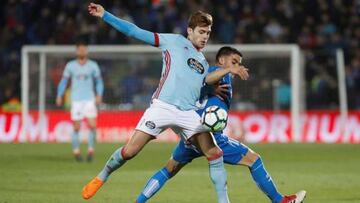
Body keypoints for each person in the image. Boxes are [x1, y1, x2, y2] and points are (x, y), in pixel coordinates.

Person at [82, 3, 249, 203]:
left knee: (215, 153)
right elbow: (135, 31)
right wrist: (105, 15)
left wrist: (228, 70)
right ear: (190, 30)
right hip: (162, 107)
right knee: (129, 152)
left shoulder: (203, 62)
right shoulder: (172, 41)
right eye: (202, 32)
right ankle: (103, 175)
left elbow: (206, 80)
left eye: (208, 32)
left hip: (188, 112)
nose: (205, 36)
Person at [135, 46, 306, 203]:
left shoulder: (218, 78)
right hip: (211, 136)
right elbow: (208, 78)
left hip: (192, 135)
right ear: (222, 60)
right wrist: (218, 78)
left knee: (169, 169)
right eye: (234, 62)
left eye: (239, 63)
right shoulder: (218, 71)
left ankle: (138, 201)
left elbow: (201, 84)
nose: (237, 66)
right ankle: (280, 201)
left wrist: (209, 87)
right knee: (254, 160)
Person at [56, 42, 104, 162]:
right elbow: (63, 82)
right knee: (76, 127)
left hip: (89, 99)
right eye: (80, 49)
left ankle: (90, 152)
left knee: (93, 126)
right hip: (76, 99)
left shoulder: (93, 65)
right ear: (76, 51)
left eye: (84, 49)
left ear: (86, 51)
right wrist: (59, 95)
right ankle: (76, 153)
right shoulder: (70, 66)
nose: (82, 51)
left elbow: (99, 82)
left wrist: (99, 94)